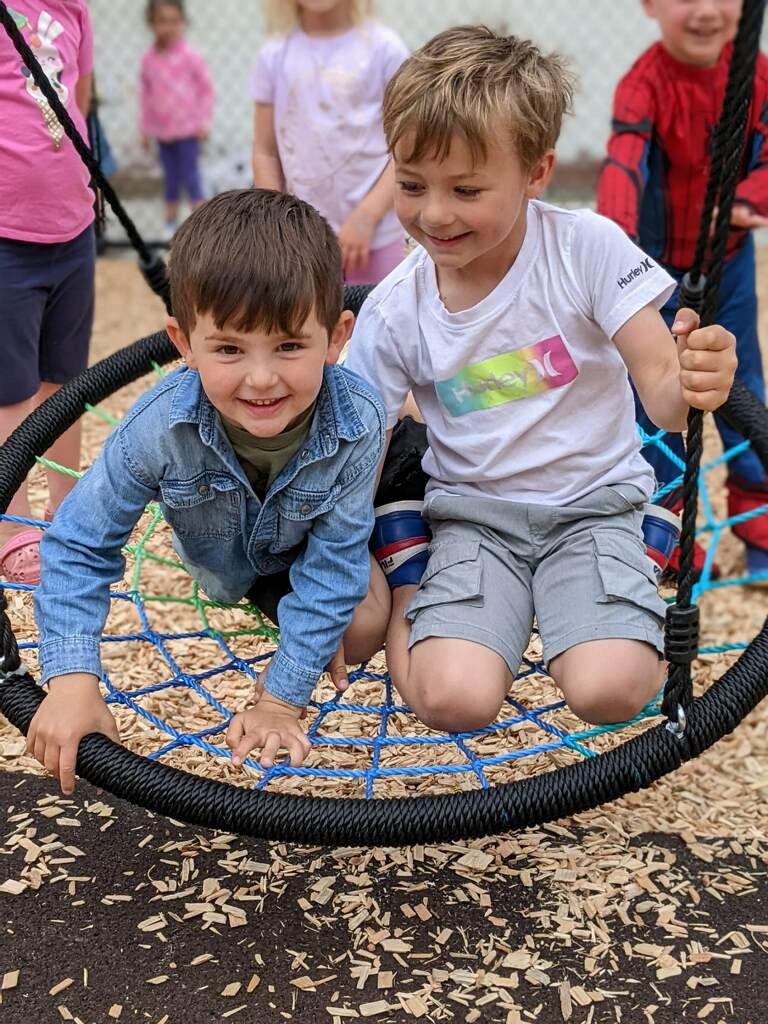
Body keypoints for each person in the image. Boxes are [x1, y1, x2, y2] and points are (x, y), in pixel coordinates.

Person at [344, 26, 738, 736]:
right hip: (472, 517)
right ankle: (412, 576)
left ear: (535, 172)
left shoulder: (586, 250)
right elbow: (358, 440)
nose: (433, 214)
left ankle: (633, 561)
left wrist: (699, 375)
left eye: (466, 189)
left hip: (594, 507)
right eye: (410, 185)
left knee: (612, 691)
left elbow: (663, 393)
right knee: (451, 701)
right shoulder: (397, 305)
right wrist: (332, 555)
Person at [25, 189, 389, 795]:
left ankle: (413, 533)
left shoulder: (356, 419)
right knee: (341, 617)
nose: (262, 378)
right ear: (183, 344)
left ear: (335, 336)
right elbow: (79, 544)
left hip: (322, 525)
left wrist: (280, 698)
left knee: (362, 622)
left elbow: (334, 565)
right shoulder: (160, 427)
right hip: (246, 559)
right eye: (228, 349)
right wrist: (71, 680)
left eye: (290, 346)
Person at [597, 0, 768, 577]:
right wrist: (611, 242)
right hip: (652, 273)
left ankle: (760, 528)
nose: (704, 11)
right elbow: (624, 163)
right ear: (649, 5)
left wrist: (749, 198)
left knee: (740, 388)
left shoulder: (756, 75)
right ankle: (667, 534)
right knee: (652, 401)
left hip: (729, 264)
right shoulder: (642, 84)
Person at [0, 0, 96, 587]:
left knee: (65, 380)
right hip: (8, 234)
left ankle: (67, 513)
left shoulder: (71, 7)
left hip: (72, 225)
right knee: (9, 392)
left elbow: (76, 101)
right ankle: (13, 527)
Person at [251, 0, 408, 285]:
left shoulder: (386, 49)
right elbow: (265, 152)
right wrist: (277, 228)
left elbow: (406, 150)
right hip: (301, 241)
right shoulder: (273, 56)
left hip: (375, 236)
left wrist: (366, 218)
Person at [140, 0, 214, 240]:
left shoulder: (190, 56)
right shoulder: (149, 60)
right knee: (170, 181)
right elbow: (146, 97)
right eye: (162, 21)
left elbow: (206, 90)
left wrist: (204, 122)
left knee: (192, 179)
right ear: (152, 24)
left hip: (188, 131)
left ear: (182, 23)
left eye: (174, 21)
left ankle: (202, 228)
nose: (169, 27)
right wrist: (145, 130)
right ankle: (170, 225)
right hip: (163, 133)